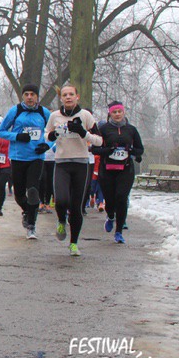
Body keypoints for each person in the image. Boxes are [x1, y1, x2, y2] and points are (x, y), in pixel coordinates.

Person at [45, 83, 103, 256]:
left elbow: (99, 140)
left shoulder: (85, 115)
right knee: (61, 200)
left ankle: (74, 243)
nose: (68, 97)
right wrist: (53, 135)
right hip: (61, 163)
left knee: (76, 207)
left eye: (71, 94)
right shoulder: (55, 116)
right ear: (61, 98)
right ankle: (61, 220)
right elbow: (46, 135)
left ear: (77, 97)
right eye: (65, 95)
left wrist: (83, 133)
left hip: (81, 163)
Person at [0, 84, 52, 240]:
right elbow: (1, 131)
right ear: (22, 96)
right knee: (19, 195)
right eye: (26, 94)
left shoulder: (44, 113)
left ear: (37, 96)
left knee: (33, 190)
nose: (29, 97)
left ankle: (31, 225)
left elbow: (55, 133)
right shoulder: (15, 111)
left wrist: (47, 145)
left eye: (32, 94)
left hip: (36, 158)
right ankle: (27, 211)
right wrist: (17, 136)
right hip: (18, 157)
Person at [92, 101, 144, 244]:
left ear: (123, 112)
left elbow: (140, 149)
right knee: (110, 200)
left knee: (121, 198)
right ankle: (110, 216)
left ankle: (119, 231)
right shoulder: (103, 129)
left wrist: (131, 150)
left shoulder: (131, 130)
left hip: (125, 169)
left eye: (119, 111)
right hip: (107, 170)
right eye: (114, 112)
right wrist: (108, 150)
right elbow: (94, 149)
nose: (117, 114)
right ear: (110, 114)